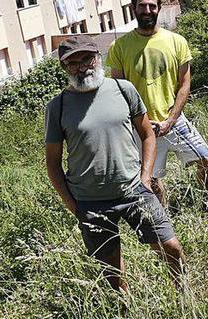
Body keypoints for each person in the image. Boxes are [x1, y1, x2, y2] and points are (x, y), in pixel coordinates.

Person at [45, 36, 183, 291]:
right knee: (112, 273)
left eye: (87, 58)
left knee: (171, 248)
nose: (82, 67)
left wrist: (145, 178)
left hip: (133, 190)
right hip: (90, 201)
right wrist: (71, 202)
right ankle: (125, 309)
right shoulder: (58, 106)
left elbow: (147, 134)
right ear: (65, 68)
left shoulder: (123, 89)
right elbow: (52, 163)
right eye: (73, 63)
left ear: (98, 58)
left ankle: (184, 296)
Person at [107, 0, 208, 208]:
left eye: (151, 6)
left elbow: (185, 84)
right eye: (142, 5)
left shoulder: (176, 41)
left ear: (159, 8)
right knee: (151, 179)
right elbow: (119, 90)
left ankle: (207, 205)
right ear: (133, 8)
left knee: (206, 160)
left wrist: (171, 119)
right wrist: (142, 123)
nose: (147, 10)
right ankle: (164, 218)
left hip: (175, 122)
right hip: (143, 128)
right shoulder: (119, 47)